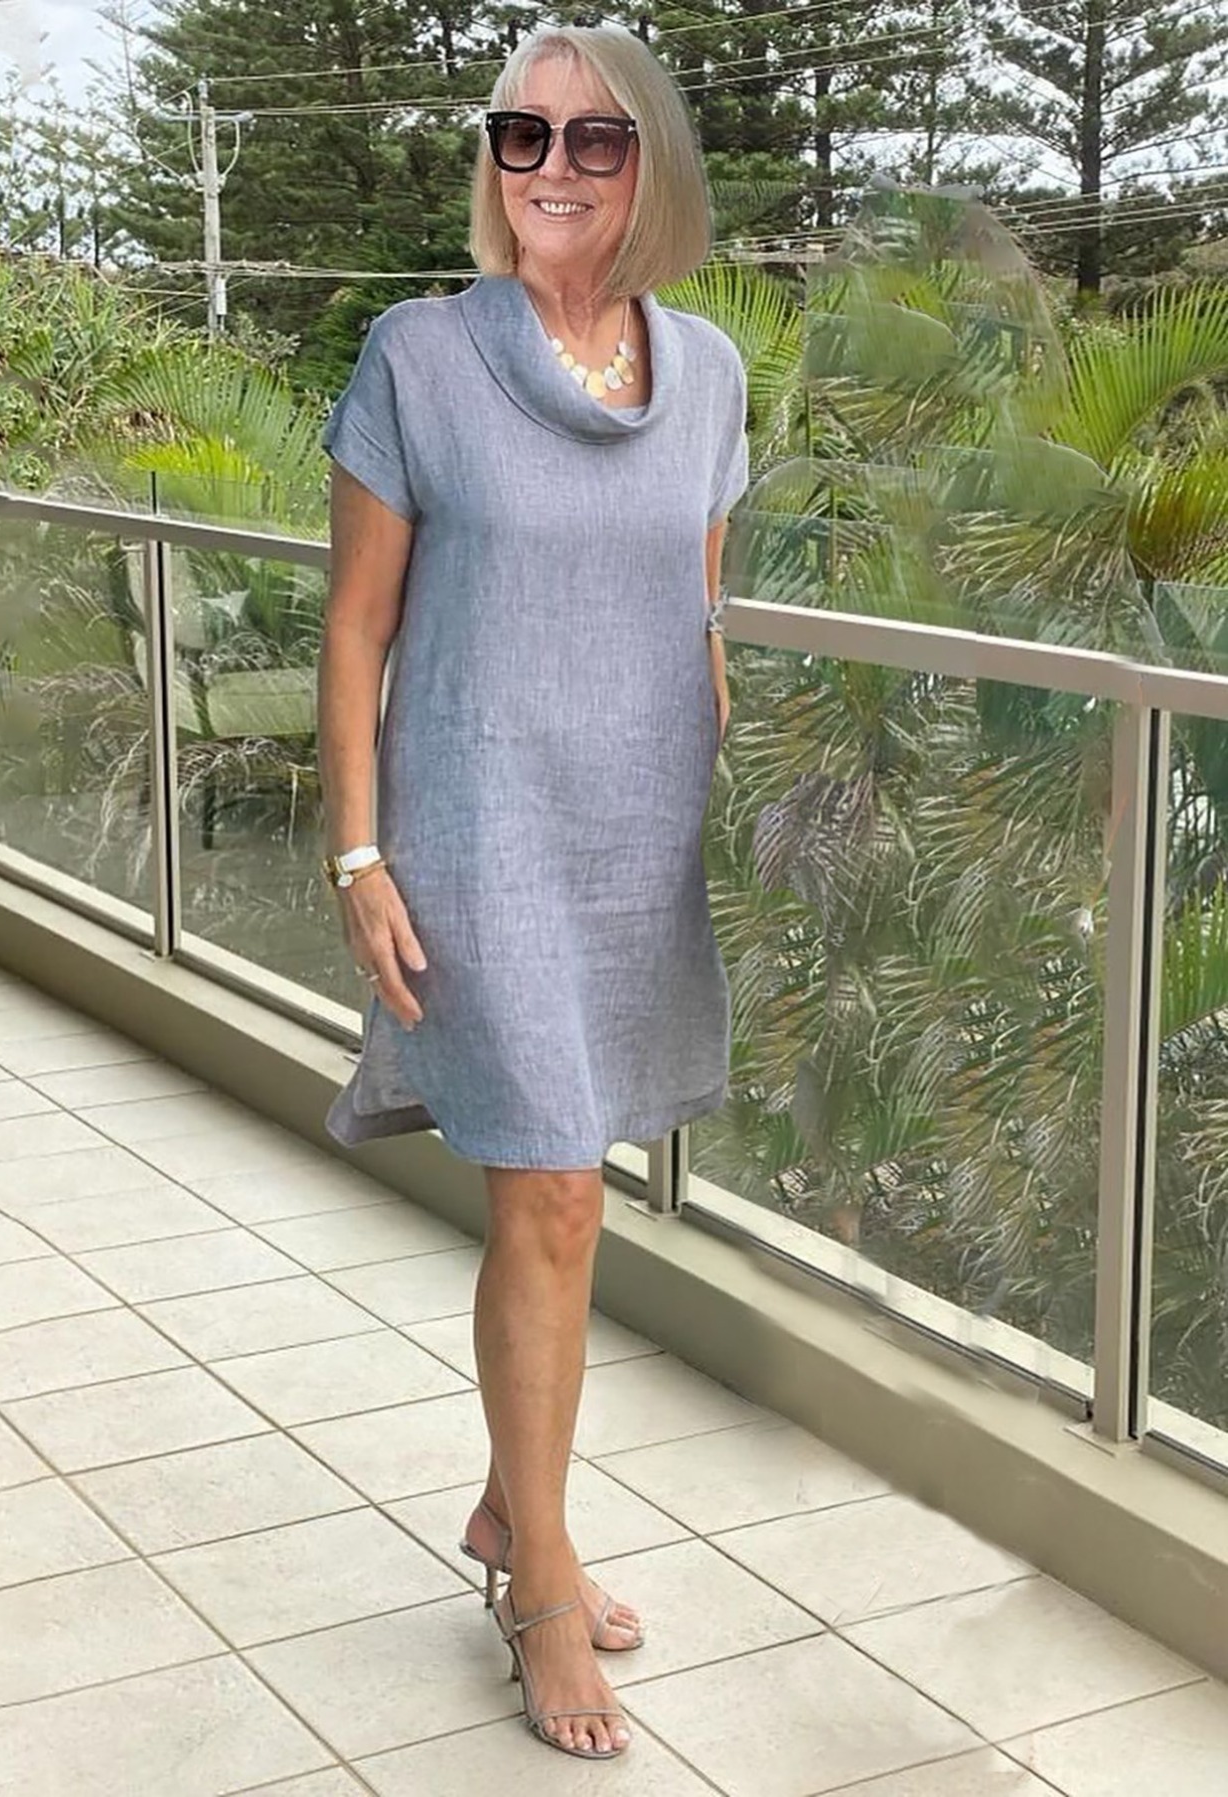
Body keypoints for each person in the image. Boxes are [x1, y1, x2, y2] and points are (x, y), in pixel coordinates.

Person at [316, 21, 747, 1763]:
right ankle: (541, 1579)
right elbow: (357, 623)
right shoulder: (418, 357)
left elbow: (698, 610)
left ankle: (512, 1502)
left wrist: (718, 792)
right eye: (522, 136)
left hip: (629, 829)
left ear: (654, 169)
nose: (551, 168)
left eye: (594, 140)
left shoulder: (706, 371)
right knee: (554, 1188)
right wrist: (359, 850)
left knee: (574, 1186)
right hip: (474, 822)